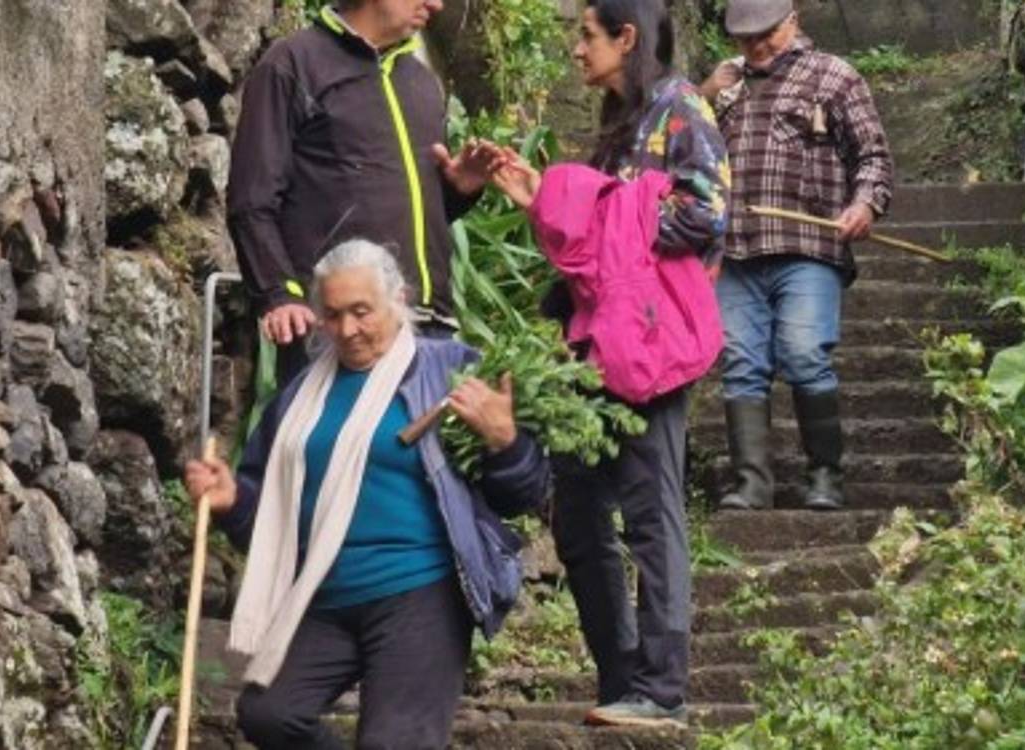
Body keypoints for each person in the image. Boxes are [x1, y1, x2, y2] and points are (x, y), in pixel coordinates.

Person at [183, 239, 549, 749]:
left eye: (361, 311)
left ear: (397, 299)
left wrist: (505, 441)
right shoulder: (300, 395)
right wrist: (231, 501)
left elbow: (523, 493)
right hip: (324, 594)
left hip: (420, 590)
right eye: (332, 315)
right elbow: (266, 512)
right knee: (270, 714)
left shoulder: (451, 371)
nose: (347, 330)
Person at [488, 0, 730, 727]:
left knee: (652, 516)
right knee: (579, 516)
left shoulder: (681, 108)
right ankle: (619, 678)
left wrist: (592, 207)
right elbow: (595, 245)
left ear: (626, 37)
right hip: (593, 346)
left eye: (585, 34)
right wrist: (544, 201)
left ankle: (661, 689)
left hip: (649, 347)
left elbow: (704, 214)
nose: (574, 49)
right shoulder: (618, 123)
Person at [227, 0, 503, 385]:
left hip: (429, 327)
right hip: (341, 329)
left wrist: (459, 189)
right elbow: (252, 197)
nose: (436, 4)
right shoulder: (292, 64)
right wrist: (278, 292)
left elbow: (405, 207)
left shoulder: (422, 83)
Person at [699, 0, 894, 511]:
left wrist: (864, 203)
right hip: (736, 251)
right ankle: (751, 484)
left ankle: (826, 477)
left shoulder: (834, 76)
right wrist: (704, 96)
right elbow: (684, 150)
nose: (756, 48)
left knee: (805, 353)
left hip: (809, 247)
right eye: (745, 39)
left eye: (766, 35)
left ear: (793, 20)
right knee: (741, 362)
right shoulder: (726, 86)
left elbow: (872, 156)